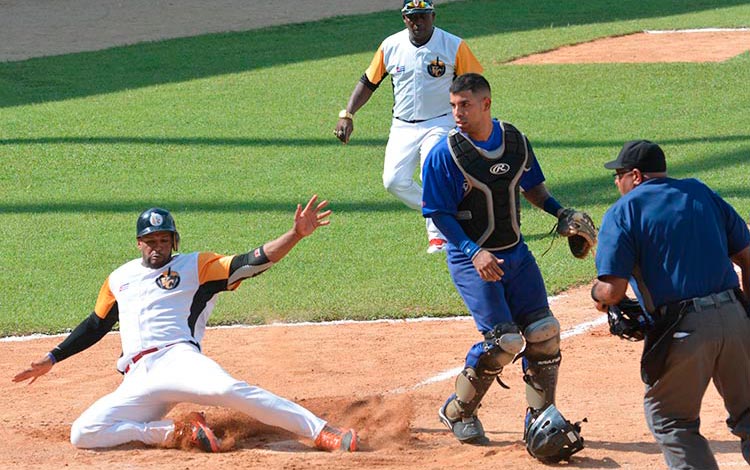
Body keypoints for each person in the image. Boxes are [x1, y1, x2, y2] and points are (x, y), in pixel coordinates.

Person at [13, 196, 358, 453]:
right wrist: (52, 357)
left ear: (174, 241)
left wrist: (295, 234)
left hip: (178, 359)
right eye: (150, 241)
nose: (157, 248)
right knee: (84, 433)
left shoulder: (197, 267)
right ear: (139, 243)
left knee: (229, 391)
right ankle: (176, 431)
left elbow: (249, 262)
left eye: (164, 240)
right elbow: (96, 324)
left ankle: (321, 432)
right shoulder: (119, 278)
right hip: (137, 377)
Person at [421, 73, 584, 462]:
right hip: (471, 259)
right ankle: (458, 410)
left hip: (516, 255)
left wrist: (560, 212)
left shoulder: (514, 142)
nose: (457, 112)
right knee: (505, 341)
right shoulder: (445, 154)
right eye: (454, 105)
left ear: (486, 104)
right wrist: (473, 251)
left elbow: (533, 188)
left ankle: (540, 418)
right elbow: (438, 214)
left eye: (465, 105)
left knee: (545, 332)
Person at [591, 140, 750, 469]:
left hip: (685, 329)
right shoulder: (700, 192)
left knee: (671, 420)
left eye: (618, 174)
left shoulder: (624, 210)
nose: (616, 182)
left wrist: (596, 294)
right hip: (736, 318)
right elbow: (747, 258)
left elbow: (613, 291)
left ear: (635, 175)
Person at [334, 0, 483, 254]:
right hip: (402, 126)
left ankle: (438, 235)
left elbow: (476, 84)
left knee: (430, 170)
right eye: (412, 17)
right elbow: (368, 82)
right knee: (393, 181)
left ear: (433, 16)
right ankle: (448, 211)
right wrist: (347, 114)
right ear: (404, 18)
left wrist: (473, 121)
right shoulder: (391, 46)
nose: (418, 22)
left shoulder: (453, 45)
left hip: (441, 122)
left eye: (423, 16)